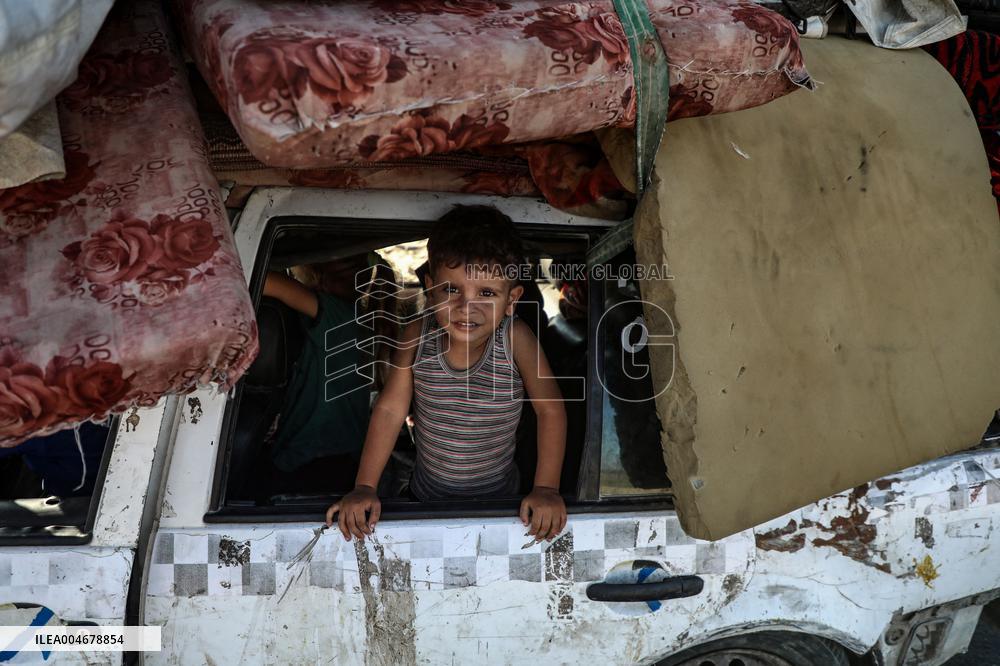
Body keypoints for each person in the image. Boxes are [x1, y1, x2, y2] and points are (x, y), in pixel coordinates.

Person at [326, 206, 568, 542]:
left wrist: (546, 488)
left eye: (486, 293)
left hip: (502, 505)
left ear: (511, 299)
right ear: (430, 287)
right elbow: (390, 409)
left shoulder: (515, 338)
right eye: (451, 290)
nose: (466, 307)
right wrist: (364, 486)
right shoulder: (416, 334)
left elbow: (550, 409)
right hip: (426, 499)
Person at [262, 254, 397, 484]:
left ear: (316, 275)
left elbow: (265, 282)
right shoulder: (355, 318)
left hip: (313, 455)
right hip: (339, 453)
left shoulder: (337, 316)